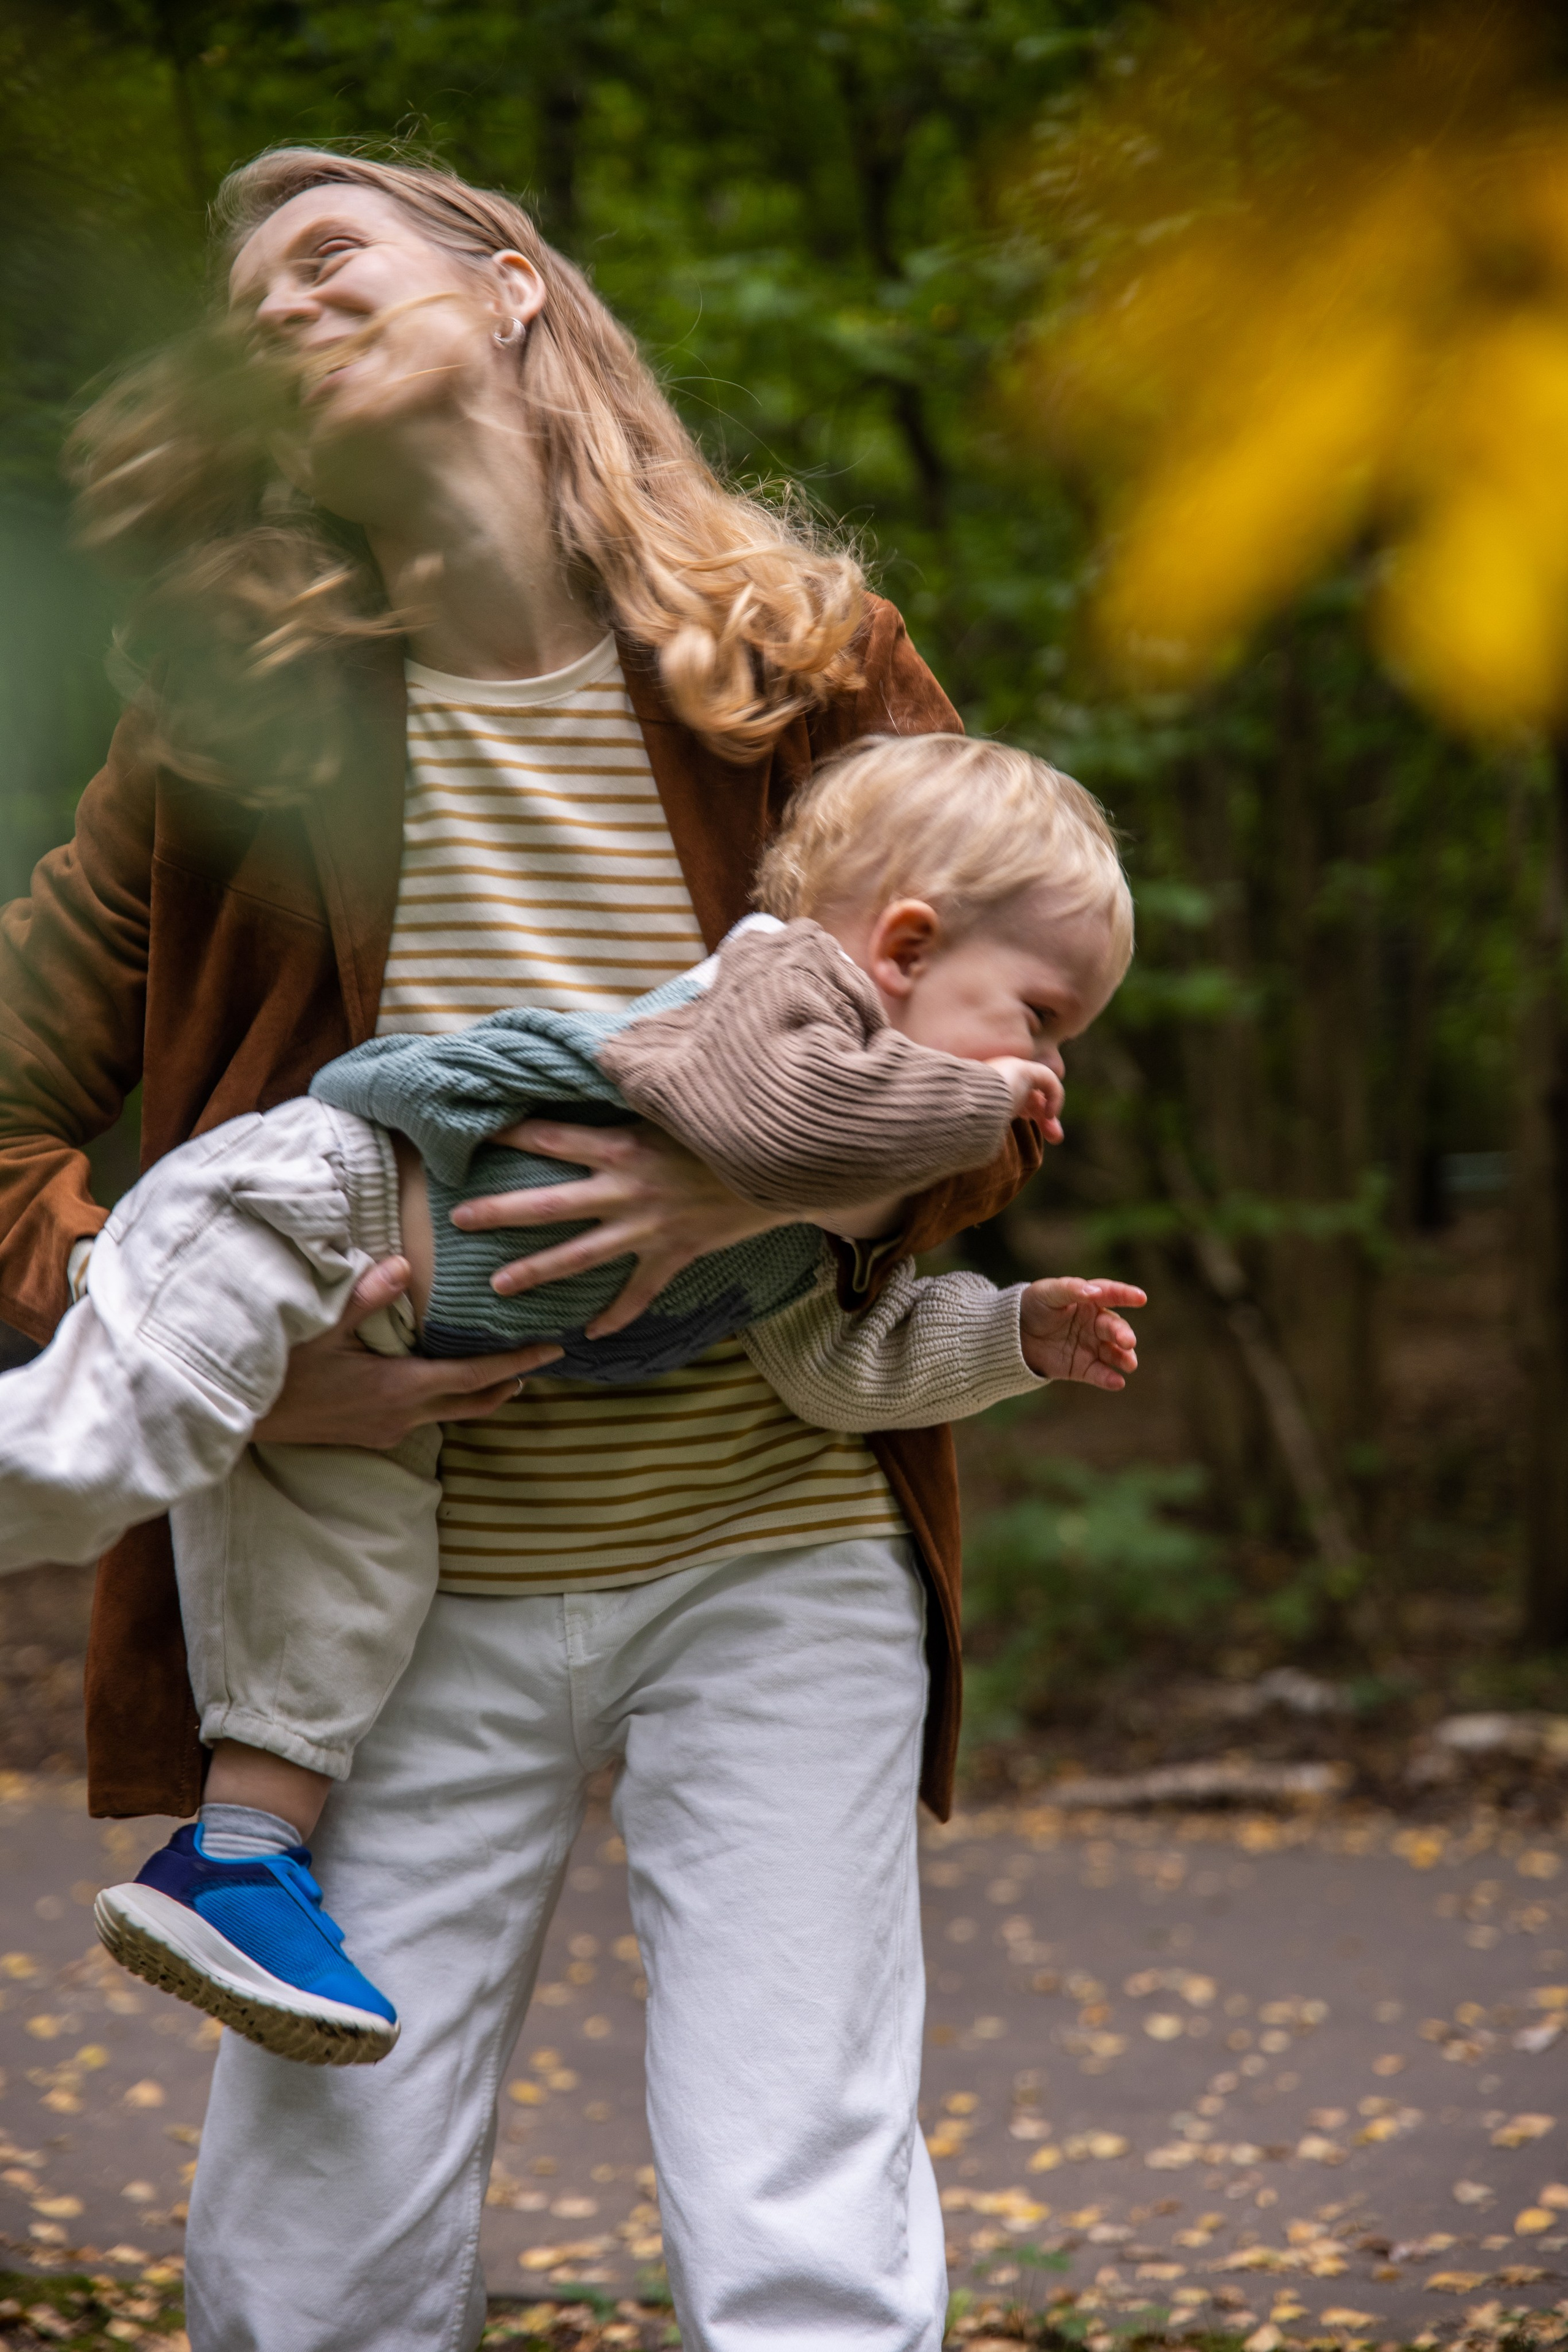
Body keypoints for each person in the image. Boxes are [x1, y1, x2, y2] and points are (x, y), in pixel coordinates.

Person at [0, 143, 1120, 2352]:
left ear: (515, 289)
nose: (279, 310)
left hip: (780, 1548)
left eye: (330, 255)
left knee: (800, 2199)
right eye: (244, 308)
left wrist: (759, 1179)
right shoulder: (227, 734)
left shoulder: (805, 663)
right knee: (316, 2245)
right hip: (388, 1597)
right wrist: (224, 1342)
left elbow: (1011, 1055)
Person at [0, 733, 1142, 2065]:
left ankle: (237, 1865)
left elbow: (840, 1366)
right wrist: (975, 1100)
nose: (1045, 1075)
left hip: (399, 1372)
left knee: (341, 1591)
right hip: (292, 1218)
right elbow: (790, 1126)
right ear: (899, 946)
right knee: (102, 1446)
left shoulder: (801, 1224)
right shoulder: (782, 997)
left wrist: (1010, 1334)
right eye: (1042, 1018)